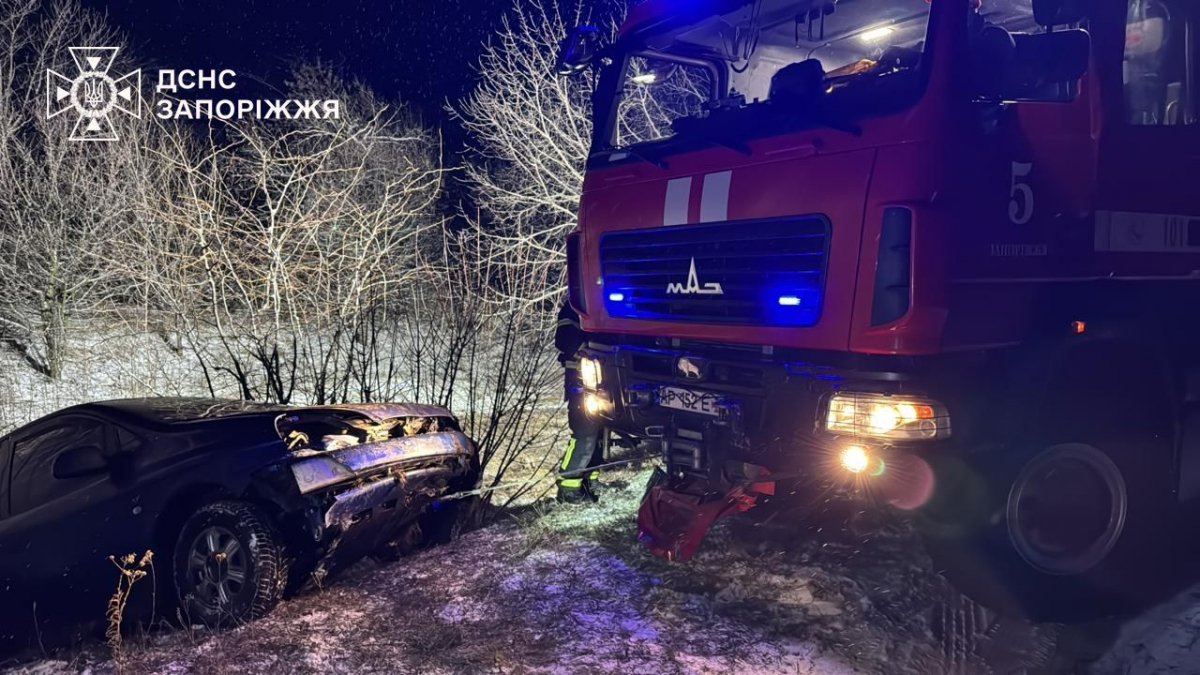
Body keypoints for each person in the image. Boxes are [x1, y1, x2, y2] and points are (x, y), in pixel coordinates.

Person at [554, 301, 603, 503]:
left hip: (605, 381)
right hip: (580, 381)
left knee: (599, 434)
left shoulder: (601, 306)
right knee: (585, 433)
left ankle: (589, 481)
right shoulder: (574, 307)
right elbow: (564, 339)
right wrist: (587, 351)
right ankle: (568, 488)